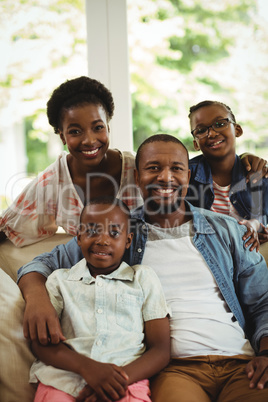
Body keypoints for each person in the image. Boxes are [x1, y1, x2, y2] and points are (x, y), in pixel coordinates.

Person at [18, 134, 268, 402]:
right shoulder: (117, 230)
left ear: (188, 176)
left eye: (176, 168)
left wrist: (265, 354)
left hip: (241, 363)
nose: (165, 177)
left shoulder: (225, 229)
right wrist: (37, 299)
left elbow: (262, 301)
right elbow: (41, 263)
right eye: (153, 168)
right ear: (137, 178)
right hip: (174, 370)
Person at [30, 197, 170, 402]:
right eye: (92, 231)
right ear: (78, 236)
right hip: (63, 379)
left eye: (114, 233)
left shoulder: (143, 278)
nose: (102, 240)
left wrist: (115, 381)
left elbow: (161, 350)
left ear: (128, 241)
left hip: (126, 383)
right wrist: (87, 368)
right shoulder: (59, 281)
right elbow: (42, 343)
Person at [0, 76, 142, 247]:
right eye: (75, 131)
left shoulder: (138, 169)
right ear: (62, 136)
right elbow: (9, 226)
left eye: (98, 128)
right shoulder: (54, 181)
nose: (89, 140)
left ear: (108, 128)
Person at [187, 100, 268, 251]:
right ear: (196, 143)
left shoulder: (256, 173)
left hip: (248, 250)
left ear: (237, 130)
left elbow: (262, 215)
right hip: (209, 252)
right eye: (201, 130)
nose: (211, 133)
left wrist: (257, 226)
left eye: (219, 123)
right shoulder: (187, 175)